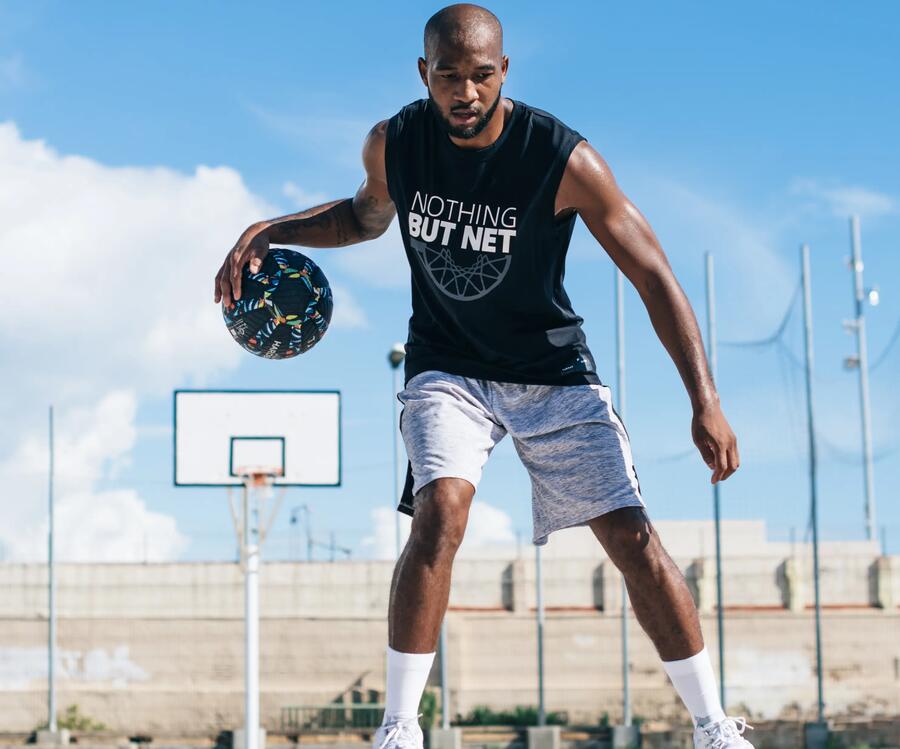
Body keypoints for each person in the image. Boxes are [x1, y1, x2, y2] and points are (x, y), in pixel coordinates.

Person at [214, 5, 751, 749]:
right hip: (448, 366)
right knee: (441, 512)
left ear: (504, 72)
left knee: (632, 538)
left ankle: (712, 724)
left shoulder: (560, 158)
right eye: (448, 76)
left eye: (480, 75)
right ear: (423, 73)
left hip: (550, 369)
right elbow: (366, 218)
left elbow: (652, 271)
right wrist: (273, 228)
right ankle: (400, 727)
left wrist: (706, 400)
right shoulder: (396, 141)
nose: (464, 92)